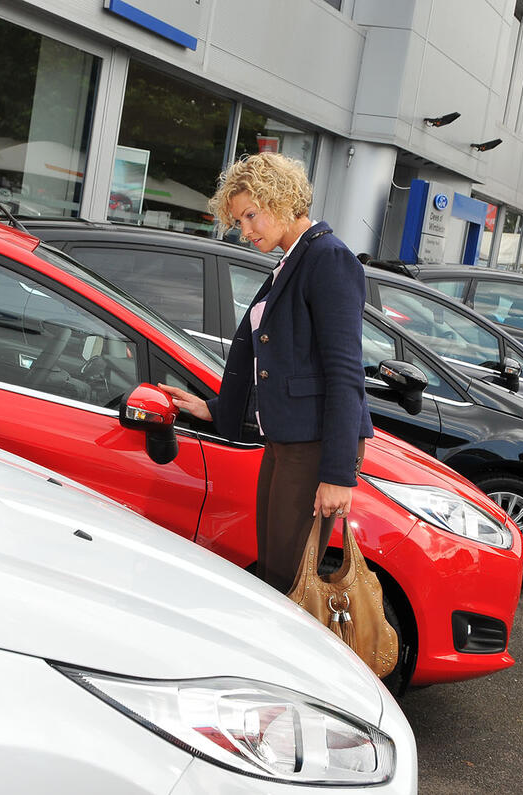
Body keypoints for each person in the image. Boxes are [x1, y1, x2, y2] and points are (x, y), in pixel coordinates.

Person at [159, 152, 374, 594]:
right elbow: (281, 367)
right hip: (287, 441)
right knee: (277, 567)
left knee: (289, 577)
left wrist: (337, 475)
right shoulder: (293, 260)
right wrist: (216, 408)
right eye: (240, 221)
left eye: (251, 215)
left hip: (313, 447)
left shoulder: (329, 259)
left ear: (281, 198)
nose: (246, 230)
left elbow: (345, 373)